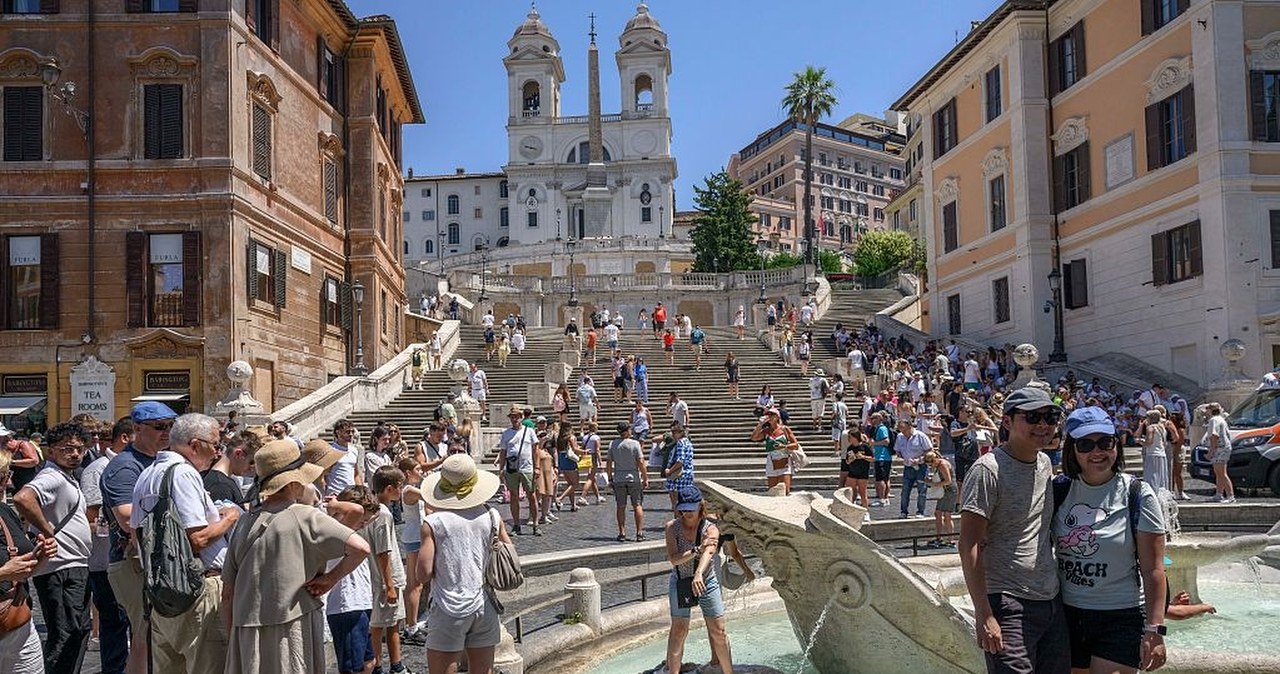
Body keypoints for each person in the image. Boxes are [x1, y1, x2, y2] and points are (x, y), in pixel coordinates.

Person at [221, 440, 370, 674]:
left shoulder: (244, 522)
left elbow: (227, 594)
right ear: (292, 483)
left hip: (246, 630)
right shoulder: (304, 516)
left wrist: (234, 638)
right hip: (292, 629)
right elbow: (360, 548)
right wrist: (330, 579)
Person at [959, 387, 1069, 674]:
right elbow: (968, 543)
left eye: (1050, 417)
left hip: (1050, 598)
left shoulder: (1045, 462)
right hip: (1007, 601)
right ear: (1007, 421)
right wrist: (984, 613)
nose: (1043, 425)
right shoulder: (987, 470)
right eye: (1032, 417)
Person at [1055, 407, 1168, 674]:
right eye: (1085, 444)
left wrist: (1155, 630)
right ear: (1072, 450)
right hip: (1067, 613)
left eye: (1105, 442)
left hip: (1121, 613)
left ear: (1116, 444)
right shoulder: (1057, 490)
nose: (1097, 452)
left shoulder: (1138, 493)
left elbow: (1153, 569)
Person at [131, 413, 241, 674]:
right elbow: (198, 539)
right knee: (209, 666)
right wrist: (230, 518)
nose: (217, 453)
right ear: (195, 444)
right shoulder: (183, 474)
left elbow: (135, 534)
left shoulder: (148, 474)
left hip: (162, 591)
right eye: (215, 445)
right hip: (198, 589)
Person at [100, 401, 178, 674]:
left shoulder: (160, 461)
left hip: (153, 558)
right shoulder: (125, 467)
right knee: (146, 633)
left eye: (170, 426)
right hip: (132, 559)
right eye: (159, 427)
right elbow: (127, 518)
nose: (166, 432)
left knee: (157, 633)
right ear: (136, 429)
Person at [13, 421, 95, 674]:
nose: (75, 454)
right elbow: (23, 498)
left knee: (78, 631)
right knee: (66, 634)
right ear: (51, 451)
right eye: (67, 448)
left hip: (73, 565)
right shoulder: (52, 477)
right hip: (61, 568)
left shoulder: (66, 477)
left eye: (80, 449)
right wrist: (48, 531)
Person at [418, 454, 508, 674]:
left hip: (448, 605)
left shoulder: (433, 522)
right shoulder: (492, 515)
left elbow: (423, 574)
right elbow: (508, 551)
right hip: (484, 603)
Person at [0, 446, 59, 674]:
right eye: (4, 476)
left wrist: (40, 555)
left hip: (18, 626)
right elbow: (9, 570)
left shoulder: (5, 512)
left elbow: (22, 569)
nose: (8, 482)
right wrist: (4, 573)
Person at [663, 486, 733, 674]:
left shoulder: (711, 528)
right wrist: (696, 550)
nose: (686, 513)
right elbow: (674, 559)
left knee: (719, 631)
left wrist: (699, 573)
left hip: (706, 581)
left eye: (690, 509)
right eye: (683, 509)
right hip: (680, 580)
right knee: (679, 630)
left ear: (700, 506)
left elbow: (709, 552)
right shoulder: (672, 527)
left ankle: (728, 671)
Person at [324, 485, 379, 674]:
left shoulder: (350, 531)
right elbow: (356, 510)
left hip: (359, 603)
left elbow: (368, 511)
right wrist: (335, 504)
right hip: (345, 605)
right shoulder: (336, 530)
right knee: (352, 667)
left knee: (368, 662)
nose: (363, 524)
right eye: (362, 521)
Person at [362, 466, 410, 674]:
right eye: (400, 486)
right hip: (386, 578)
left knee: (385, 623)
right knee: (386, 624)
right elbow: (384, 551)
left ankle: (388, 665)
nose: (402, 490)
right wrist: (390, 585)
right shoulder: (383, 514)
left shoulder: (371, 510)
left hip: (376, 576)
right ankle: (388, 666)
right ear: (390, 489)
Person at [397, 458, 428, 647]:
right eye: (418, 469)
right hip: (414, 537)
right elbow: (429, 496)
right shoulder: (409, 490)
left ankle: (415, 622)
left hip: (418, 536)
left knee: (418, 584)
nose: (421, 472)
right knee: (415, 584)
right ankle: (411, 626)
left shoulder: (413, 488)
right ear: (408, 473)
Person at [608, 422, 649, 542]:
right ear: (626, 431)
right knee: (637, 505)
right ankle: (639, 533)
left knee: (621, 506)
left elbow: (609, 462)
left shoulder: (613, 444)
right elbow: (641, 462)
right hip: (633, 477)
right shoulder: (635, 444)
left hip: (619, 478)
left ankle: (622, 533)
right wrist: (645, 477)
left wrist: (610, 478)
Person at [752, 408, 797, 495]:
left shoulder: (784, 429)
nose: (769, 417)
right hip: (772, 461)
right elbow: (754, 438)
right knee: (772, 491)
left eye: (772, 415)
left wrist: (784, 446)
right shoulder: (766, 431)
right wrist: (760, 424)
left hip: (784, 460)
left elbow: (795, 444)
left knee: (785, 490)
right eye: (768, 415)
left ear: (777, 417)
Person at [895, 418, 932, 519]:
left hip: (921, 466)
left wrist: (920, 459)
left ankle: (920, 511)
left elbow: (929, 450)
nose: (902, 431)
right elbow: (897, 450)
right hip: (908, 466)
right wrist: (902, 457)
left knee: (922, 489)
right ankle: (903, 512)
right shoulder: (900, 437)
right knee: (905, 490)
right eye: (900, 428)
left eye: (903, 428)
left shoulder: (921, 436)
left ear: (910, 426)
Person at [924, 451, 956, 548]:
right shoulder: (938, 464)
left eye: (931, 464)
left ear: (934, 460)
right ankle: (939, 537)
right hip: (944, 490)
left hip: (949, 491)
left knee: (947, 515)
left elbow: (948, 481)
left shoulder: (942, 465)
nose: (931, 466)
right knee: (938, 513)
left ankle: (951, 540)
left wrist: (934, 484)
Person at [1203, 402, 1234, 503]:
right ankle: (1219, 494)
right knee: (1218, 472)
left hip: (1220, 448)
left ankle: (1230, 496)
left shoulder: (1213, 420)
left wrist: (1211, 451)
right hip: (1223, 447)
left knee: (1221, 473)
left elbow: (1214, 435)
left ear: (1210, 410)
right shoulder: (1221, 419)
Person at [663, 424, 696, 511]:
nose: (672, 435)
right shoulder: (688, 442)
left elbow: (680, 461)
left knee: (676, 500)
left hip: (680, 475)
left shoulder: (680, 443)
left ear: (681, 433)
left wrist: (670, 471)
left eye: (674, 432)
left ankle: (677, 516)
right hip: (688, 473)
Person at [1138, 409, 1172, 494]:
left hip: (1152, 454)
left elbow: (1149, 442)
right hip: (1161, 454)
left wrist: (1140, 441)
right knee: (1161, 478)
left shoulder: (1151, 428)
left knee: (1151, 477)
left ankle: (1152, 495)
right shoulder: (1162, 427)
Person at [553, 423, 584, 512]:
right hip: (569, 460)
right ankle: (560, 498)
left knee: (570, 483)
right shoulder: (571, 437)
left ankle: (573, 505)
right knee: (575, 484)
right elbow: (575, 449)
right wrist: (584, 451)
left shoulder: (559, 438)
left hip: (562, 459)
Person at [841, 429, 873, 509]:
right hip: (852, 472)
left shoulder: (865, 447)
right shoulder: (850, 448)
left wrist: (863, 457)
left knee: (863, 493)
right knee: (849, 492)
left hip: (863, 472)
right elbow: (847, 461)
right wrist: (850, 460)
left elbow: (873, 458)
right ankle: (850, 509)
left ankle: (865, 511)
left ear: (855, 437)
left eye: (850, 437)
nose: (848, 439)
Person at [870, 412, 893, 507]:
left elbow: (886, 441)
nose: (871, 420)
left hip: (882, 457)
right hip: (884, 457)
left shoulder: (882, 429)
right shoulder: (879, 428)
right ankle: (885, 498)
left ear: (878, 419)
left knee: (880, 479)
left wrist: (874, 443)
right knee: (885, 478)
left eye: (873, 418)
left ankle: (881, 499)